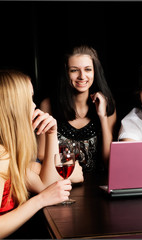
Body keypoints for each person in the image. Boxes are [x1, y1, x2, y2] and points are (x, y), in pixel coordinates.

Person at [0, 70, 76, 239]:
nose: (35, 106)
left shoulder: (2, 147)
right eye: (29, 99)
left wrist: (51, 134)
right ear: (13, 106)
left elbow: (45, 185)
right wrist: (40, 200)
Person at [37, 45, 117, 174]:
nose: (82, 76)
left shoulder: (106, 104)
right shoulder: (48, 105)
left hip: (97, 186)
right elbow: (41, 154)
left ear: (95, 72)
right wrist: (72, 169)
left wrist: (103, 117)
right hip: (62, 181)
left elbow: (109, 161)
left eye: (88, 69)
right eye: (74, 70)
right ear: (66, 72)